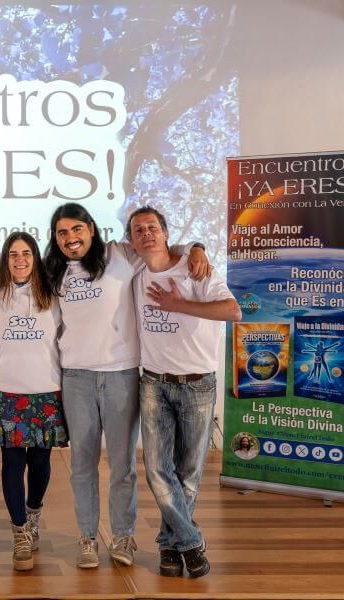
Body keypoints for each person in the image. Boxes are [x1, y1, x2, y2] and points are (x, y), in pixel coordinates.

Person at [43, 202, 210, 569]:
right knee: (82, 465)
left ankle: (123, 536)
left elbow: (159, 246)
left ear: (91, 229)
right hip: (76, 378)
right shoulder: (53, 272)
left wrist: (196, 247)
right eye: (62, 233)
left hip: (120, 375)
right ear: (56, 239)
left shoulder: (118, 255)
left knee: (122, 466)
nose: (71, 238)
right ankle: (88, 538)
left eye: (77, 229)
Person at [128, 205, 241, 579]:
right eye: (138, 229)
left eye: (152, 227)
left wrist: (180, 304)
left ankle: (169, 545)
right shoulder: (135, 276)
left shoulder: (196, 270)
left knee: (188, 473)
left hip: (197, 385)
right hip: (153, 383)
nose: (146, 233)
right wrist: (196, 245)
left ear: (165, 233)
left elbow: (233, 311)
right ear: (132, 241)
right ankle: (191, 542)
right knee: (157, 471)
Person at [0, 232, 67, 571]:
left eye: (26, 253)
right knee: (12, 462)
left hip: (45, 389)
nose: (19, 259)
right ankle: (19, 530)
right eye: (13, 254)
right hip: (8, 390)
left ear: (35, 257)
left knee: (39, 461)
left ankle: (33, 513)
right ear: (5, 260)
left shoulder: (52, 294)